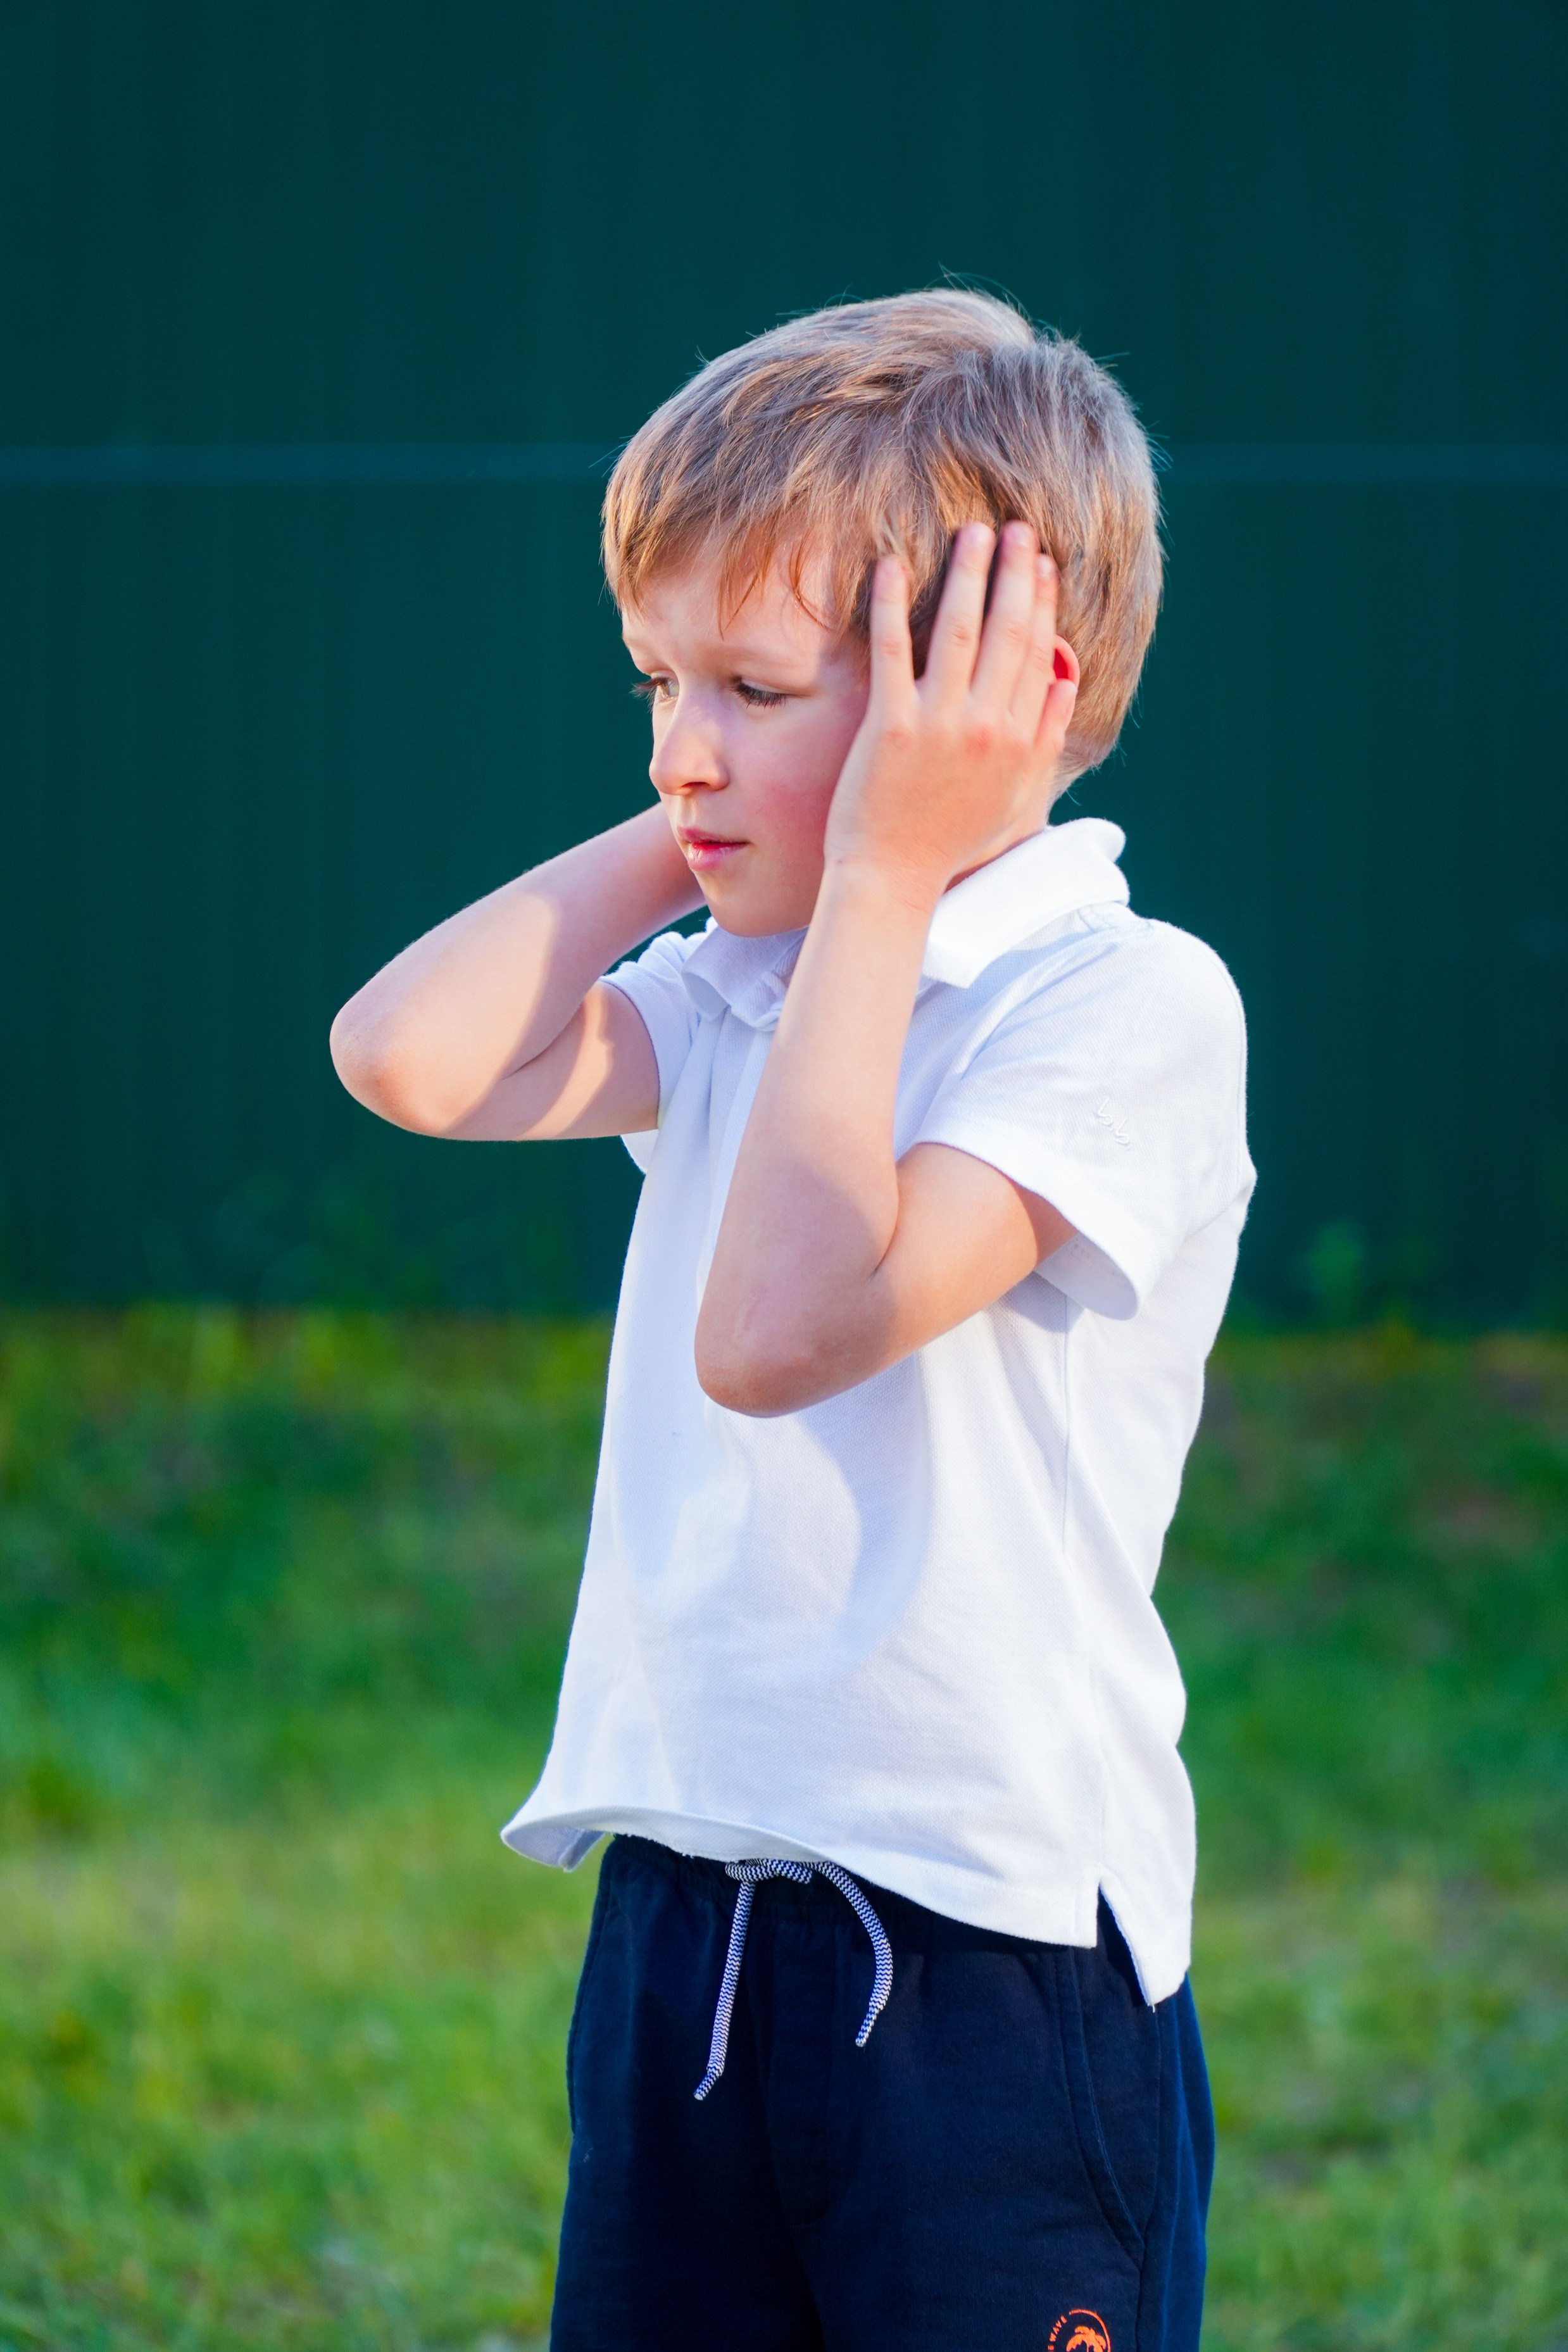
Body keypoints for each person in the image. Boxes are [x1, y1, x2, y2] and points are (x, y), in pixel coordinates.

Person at [330, 288, 1254, 2352]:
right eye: (657, 677)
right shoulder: (742, 974)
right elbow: (402, 1052)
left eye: (748, 683)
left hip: (994, 1975)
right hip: (690, 1930)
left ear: (997, 693)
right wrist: (721, 827)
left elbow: (785, 1320)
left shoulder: (1121, 1003)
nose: (681, 741)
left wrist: (884, 872)